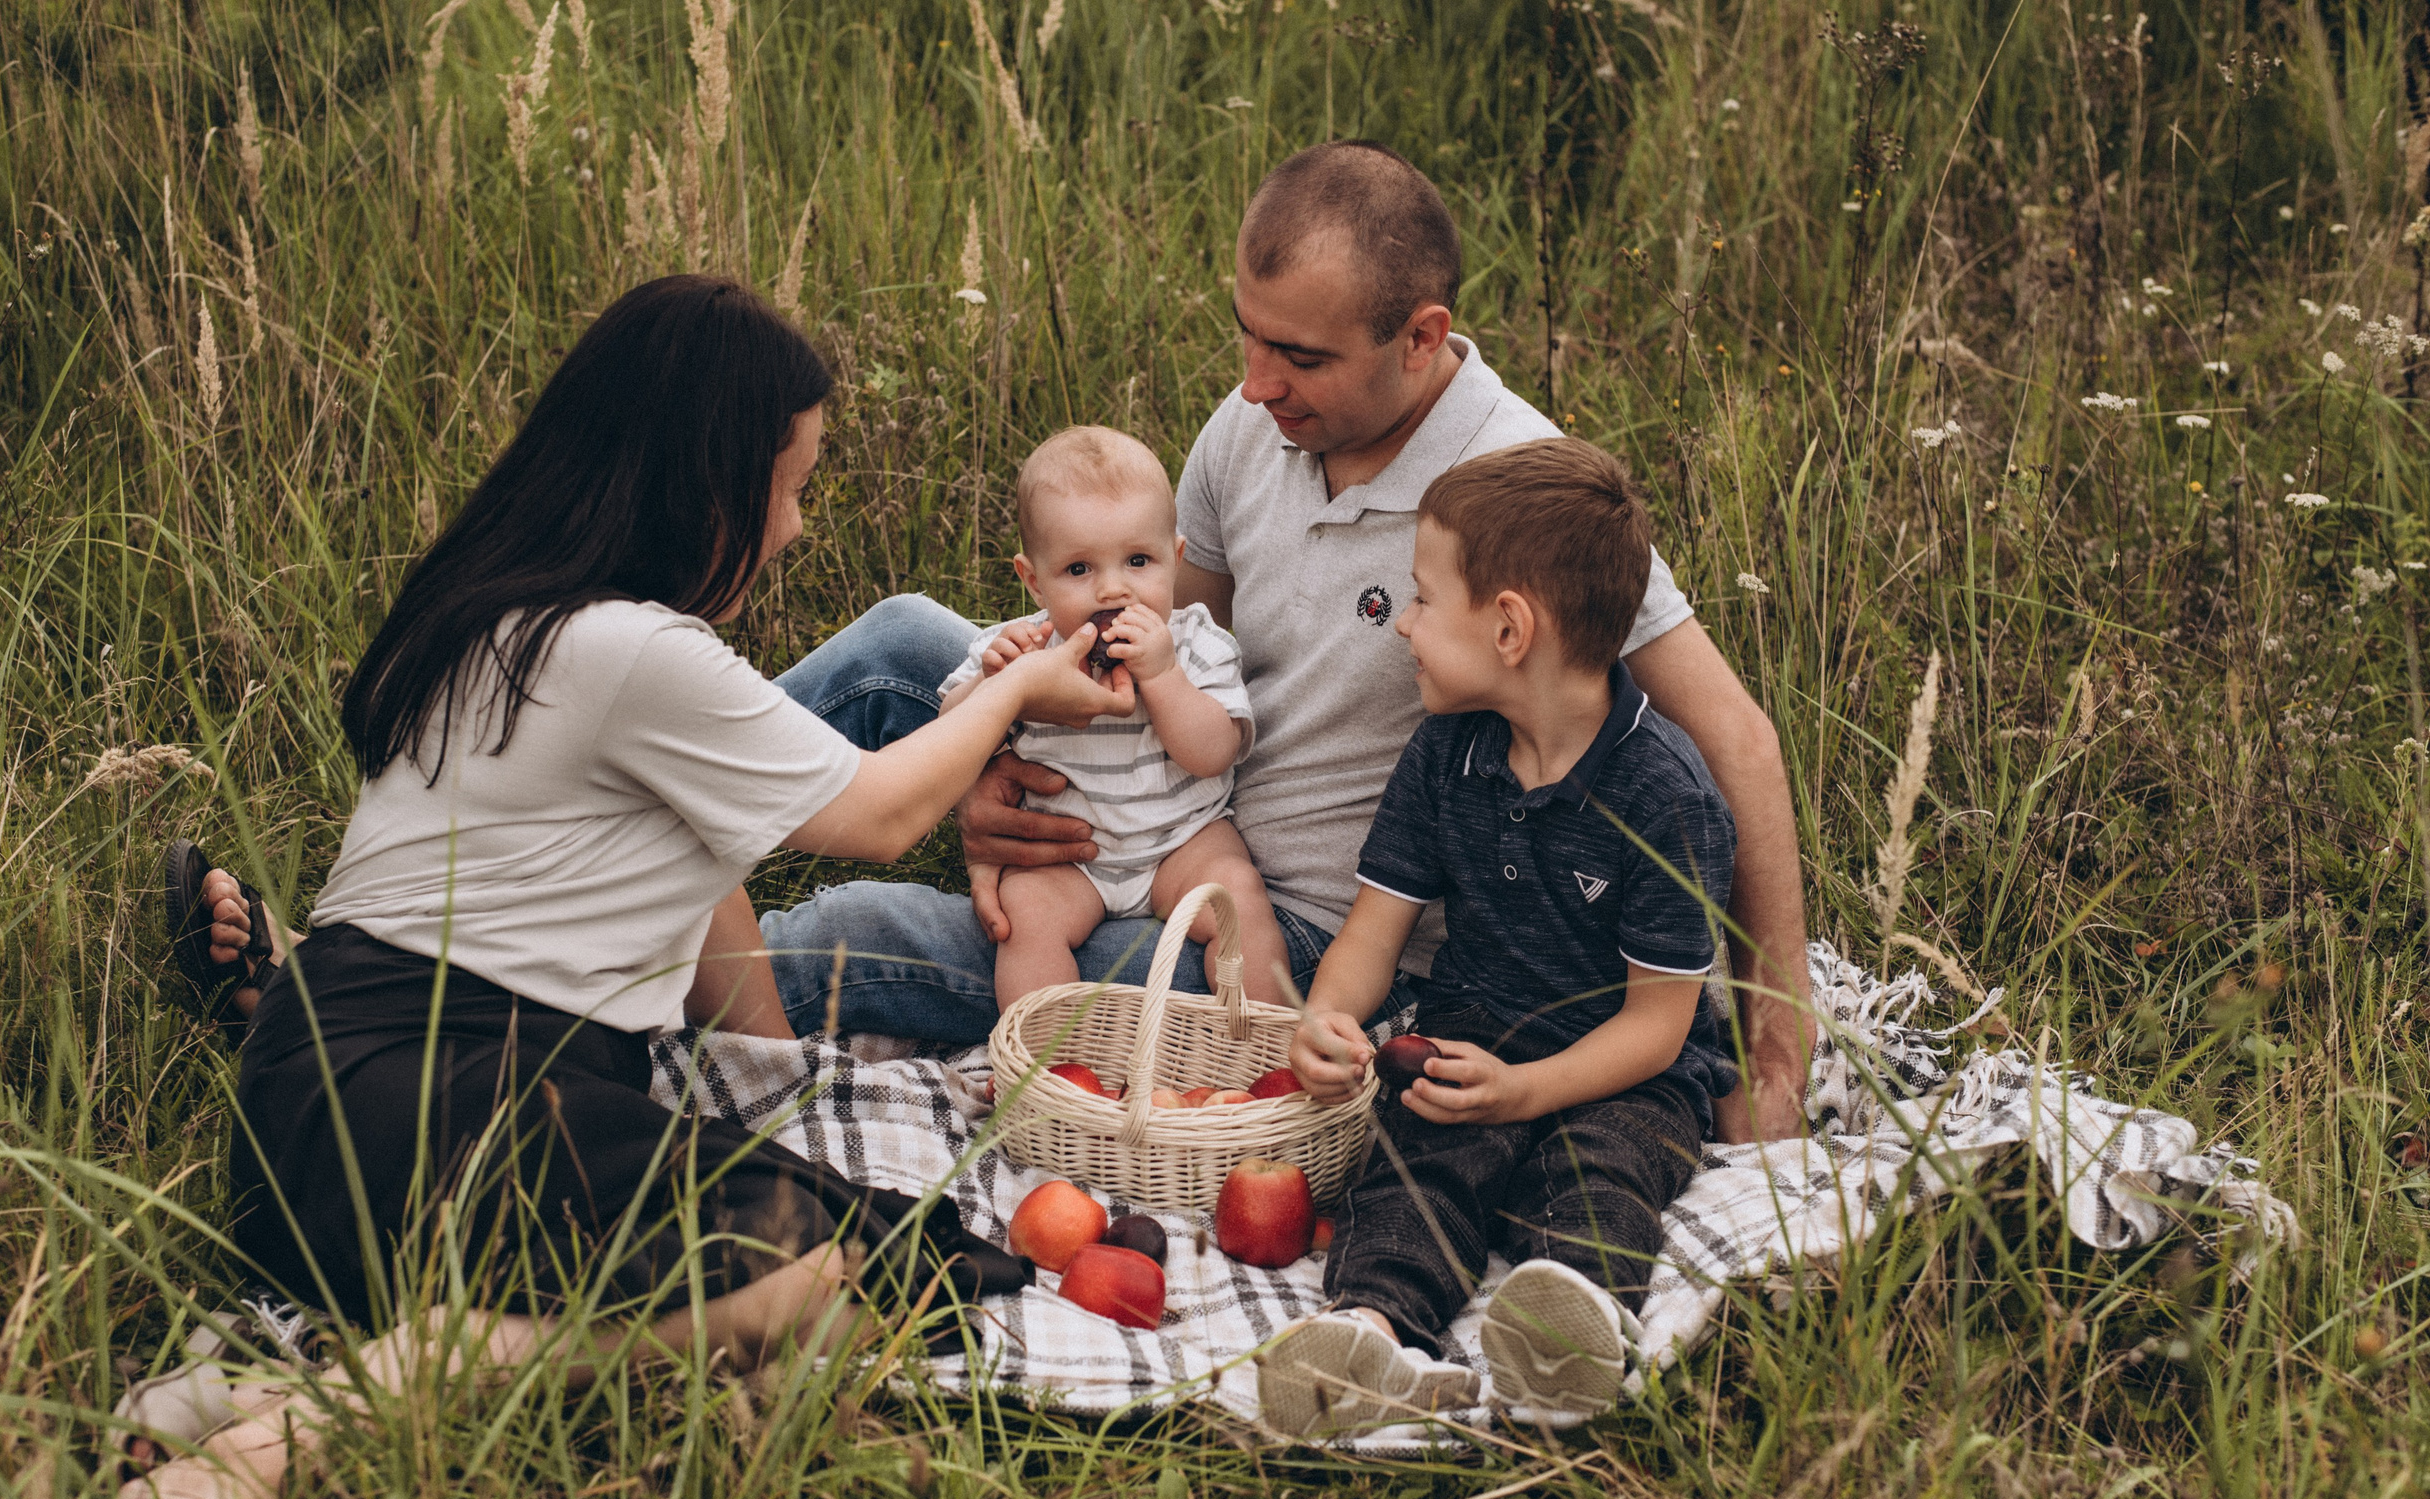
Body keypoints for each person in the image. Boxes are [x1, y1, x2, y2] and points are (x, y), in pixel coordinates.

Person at [134, 276, 1127, 1499]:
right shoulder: (634, 651)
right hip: (443, 1095)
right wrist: (1019, 683)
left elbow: (704, 870)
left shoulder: (499, 616)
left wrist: (777, 1079)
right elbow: (885, 811)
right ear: (702, 484)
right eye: (789, 487)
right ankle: (272, 1450)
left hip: (315, 1103)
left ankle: (267, 1390)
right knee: (818, 1274)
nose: (796, 526)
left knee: (846, 1263)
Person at [752, 141, 1813, 1143]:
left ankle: (642, 969)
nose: (1257, 383)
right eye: (1246, 336)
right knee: (904, 639)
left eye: (1299, 356)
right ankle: (638, 810)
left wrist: (1778, 1052)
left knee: (863, 928)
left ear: (1419, 336)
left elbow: (1735, 738)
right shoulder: (1259, 421)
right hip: (1172, 801)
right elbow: (1164, 647)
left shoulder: (1518, 497)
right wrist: (997, 772)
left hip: (1304, 927)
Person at [1260, 438, 1732, 1434]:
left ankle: (1567, 1325)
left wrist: (1528, 1091)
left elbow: (1658, 1024)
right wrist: (1328, 1017)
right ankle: (1371, 1333)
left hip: (1623, 1062)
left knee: (1605, 1166)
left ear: (1510, 627)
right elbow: (1372, 934)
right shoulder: (1446, 753)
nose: (1407, 628)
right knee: (1418, 1158)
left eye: (1424, 600)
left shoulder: (1662, 793)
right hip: (1474, 1027)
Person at [933, 426, 1289, 1008]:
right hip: (1074, 859)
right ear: (1032, 578)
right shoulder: (1021, 648)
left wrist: (1163, 675)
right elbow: (949, 735)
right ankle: (1050, 1065)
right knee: (1024, 919)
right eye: (1078, 570)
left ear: (1175, 559)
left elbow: (1212, 752)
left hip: (1182, 841)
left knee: (1237, 896)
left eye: (1138, 561)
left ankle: (1260, 1044)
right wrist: (993, 686)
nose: (1113, 590)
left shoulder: (1194, 642)